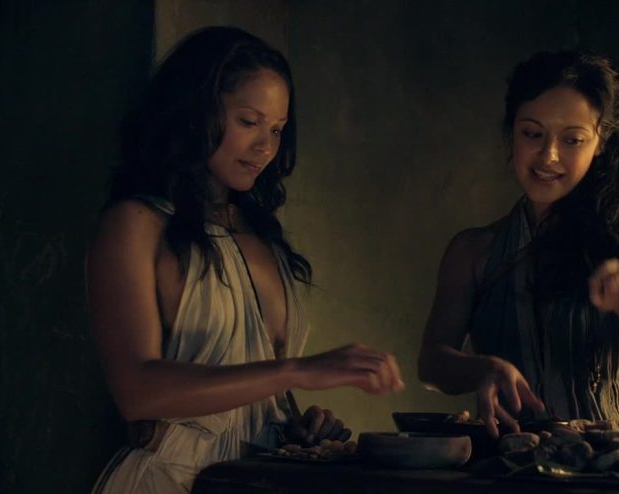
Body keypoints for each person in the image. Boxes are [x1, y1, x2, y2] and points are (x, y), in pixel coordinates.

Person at [86, 26, 403, 494]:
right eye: (249, 122)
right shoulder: (135, 224)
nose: (266, 148)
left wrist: (293, 424)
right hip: (170, 482)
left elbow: (253, 390)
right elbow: (137, 392)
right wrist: (299, 370)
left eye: (276, 129)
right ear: (196, 111)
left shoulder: (261, 236)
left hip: (258, 482)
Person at [418, 51, 619, 438]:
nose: (548, 156)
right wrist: (482, 368)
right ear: (512, 133)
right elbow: (431, 363)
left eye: (572, 140)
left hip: (609, 464)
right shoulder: (473, 251)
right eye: (532, 134)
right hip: (506, 464)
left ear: (600, 142)